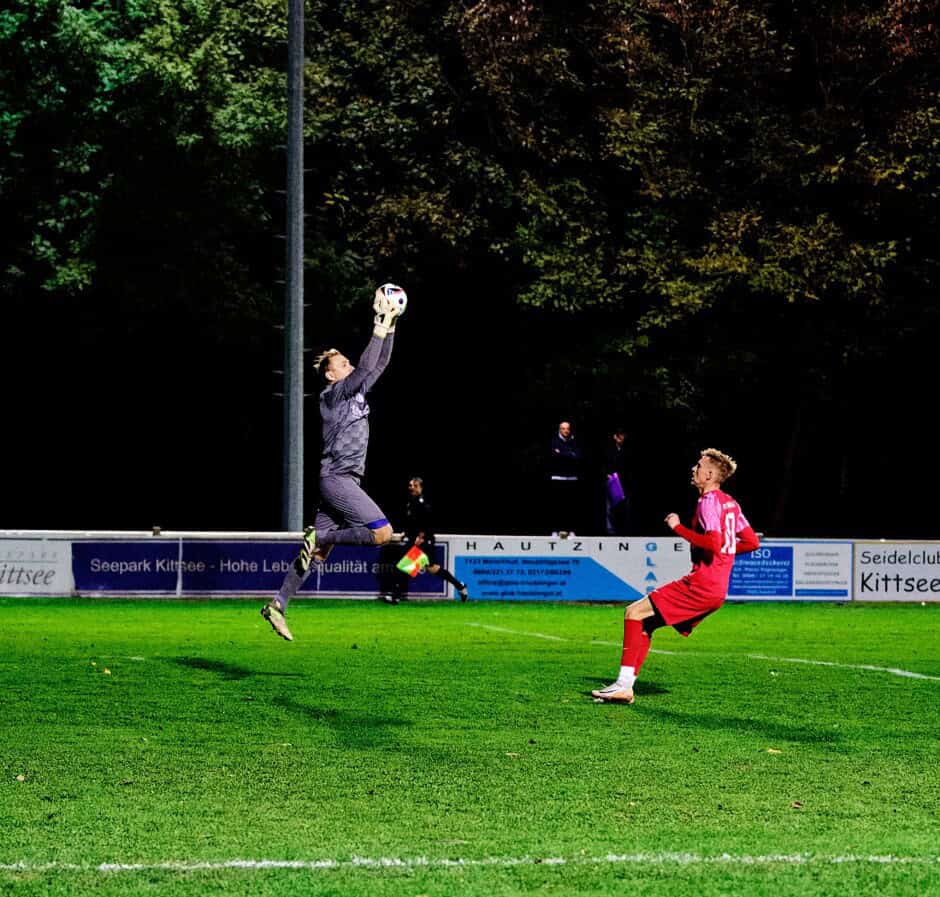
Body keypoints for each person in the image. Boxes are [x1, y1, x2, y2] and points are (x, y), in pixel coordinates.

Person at [261, 286, 403, 641]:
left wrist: (390, 322)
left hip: (340, 481)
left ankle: (277, 604)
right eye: (343, 363)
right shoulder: (334, 393)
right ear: (330, 374)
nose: (350, 365)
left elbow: (378, 363)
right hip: (339, 479)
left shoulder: (353, 389)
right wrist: (379, 326)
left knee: (316, 555)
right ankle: (319, 534)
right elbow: (368, 364)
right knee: (382, 533)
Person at [592, 448, 760, 704]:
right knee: (645, 623)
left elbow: (713, 543)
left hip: (702, 584)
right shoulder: (731, 503)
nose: (694, 469)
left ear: (711, 474)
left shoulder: (708, 502)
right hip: (717, 589)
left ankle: (623, 686)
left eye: (699, 466)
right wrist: (727, 549)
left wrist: (677, 527)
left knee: (633, 612)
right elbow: (750, 542)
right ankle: (624, 686)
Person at [381, 477, 469, 604]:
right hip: (416, 539)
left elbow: (427, 522)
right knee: (432, 568)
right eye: (410, 485)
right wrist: (405, 533)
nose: (410, 487)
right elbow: (413, 522)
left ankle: (396, 596)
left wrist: (420, 537)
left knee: (404, 566)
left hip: (422, 541)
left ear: (420, 487)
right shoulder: (411, 502)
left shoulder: (423, 503)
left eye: (414, 485)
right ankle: (460, 586)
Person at [548, 420, 582, 535]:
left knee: (571, 506)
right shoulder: (554, 442)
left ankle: (571, 530)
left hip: (572, 478)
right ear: (559, 429)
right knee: (557, 506)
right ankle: (555, 530)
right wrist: (569, 454)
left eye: (567, 428)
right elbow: (554, 456)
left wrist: (562, 453)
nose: (566, 431)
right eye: (563, 428)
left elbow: (577, 457)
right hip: (557, 477)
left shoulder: (574, 441)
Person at [604, 427, 631, 535]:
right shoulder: (608, 450)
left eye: (622, 435)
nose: (621, 438)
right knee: (609, 508)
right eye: (619, 435)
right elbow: (603, 465)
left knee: (624, 508)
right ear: (615, 437)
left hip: (624, 483)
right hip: (611, 482)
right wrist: (607, 475)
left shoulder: (628, 450)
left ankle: (624, 529)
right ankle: (610, 530)